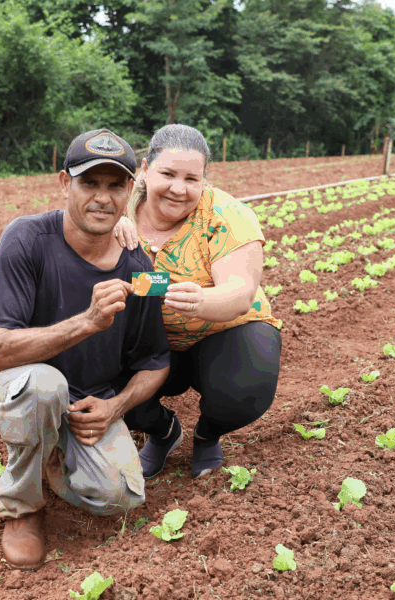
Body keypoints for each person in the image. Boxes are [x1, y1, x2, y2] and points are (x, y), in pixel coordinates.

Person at [0, 128, 170, 571]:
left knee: (121, 496)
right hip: (19, 378)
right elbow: (1, 349)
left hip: (85, 397)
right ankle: (22, 506)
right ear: (64, 183)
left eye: (115, 185)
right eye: (89, 183)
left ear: (130, 192)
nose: (102, 198)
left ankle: (47, 446)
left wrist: (116, 407)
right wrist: (88, 322)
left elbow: (156, 360)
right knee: (43, 388)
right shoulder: (25, 238)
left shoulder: (141, 268)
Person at [113, 124, 283, 480]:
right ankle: (162, 431)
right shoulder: (115, 208)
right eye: (168, 174)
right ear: (145, 169)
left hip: (223, 331)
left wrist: (201, 298)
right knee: (98, 374)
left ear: (205, 180)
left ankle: (208, 434)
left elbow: (240, 292)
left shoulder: (226, 215)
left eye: (191, 179)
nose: (179, 188)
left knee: (245, 390)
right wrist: (108, 233)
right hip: (149, 340)